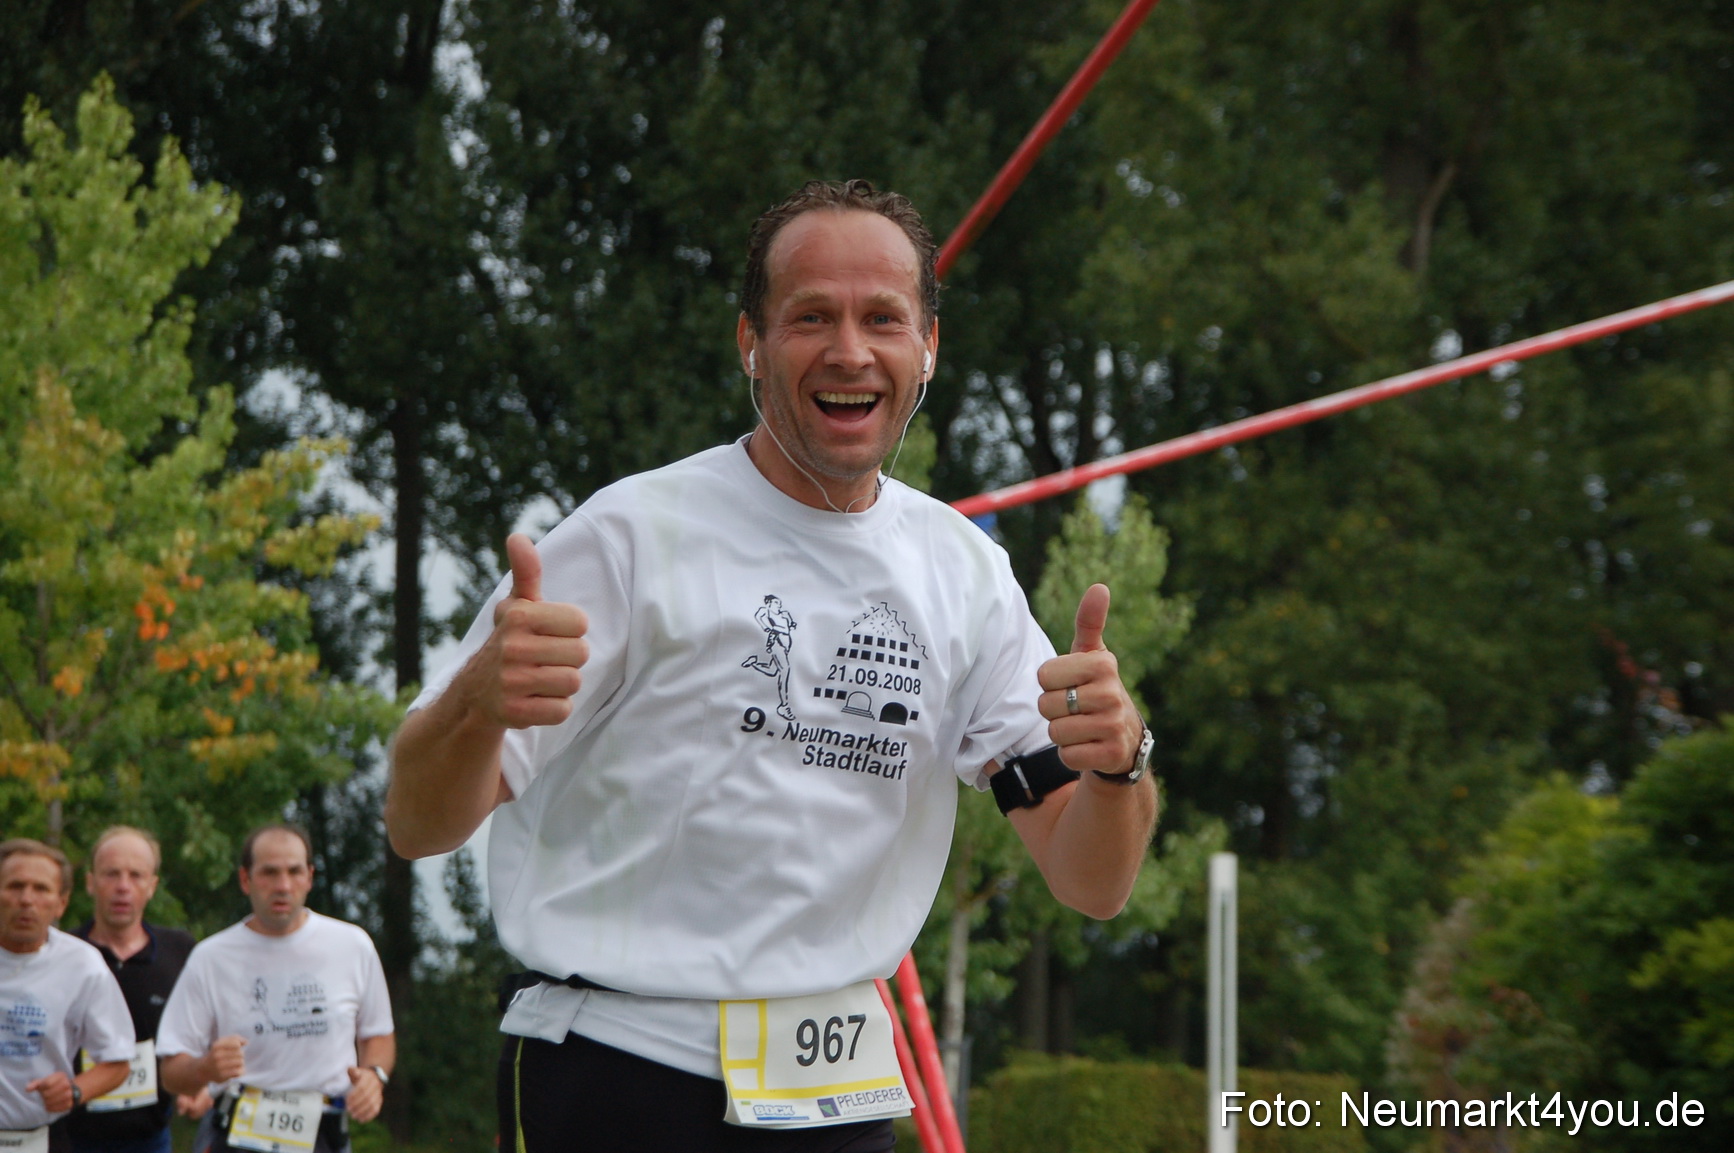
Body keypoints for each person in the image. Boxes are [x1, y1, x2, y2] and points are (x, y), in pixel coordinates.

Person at [385, 179, 1159, 1153]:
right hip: (617, 1072)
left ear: (928, 346)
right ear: (750, 342)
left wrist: (1120, 763)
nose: (850, 351)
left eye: (883, 318)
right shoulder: (632, 536)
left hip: (838, 1099)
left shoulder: (965, 573)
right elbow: (416, 824)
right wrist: (475, 703)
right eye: (811, 317)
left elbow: (1093, 882)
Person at [156, 826, 395, 1153]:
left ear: (309, 877)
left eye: (294, 872)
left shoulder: (352, 945)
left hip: (325, 1132)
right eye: (269, 873)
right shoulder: (211, 958)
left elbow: (378, 1034)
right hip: (237, 1133)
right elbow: (171, 1071)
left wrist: (374, 1076)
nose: (283, 886)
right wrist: (205, 1068)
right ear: (245, 880)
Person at [65, 827, 209, 1153]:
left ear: (152, 886)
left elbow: (207, 1031)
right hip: (69, 1138)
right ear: (90, 882)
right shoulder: (63, 953)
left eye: (136, 875)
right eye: (111, 874)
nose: (123, 887)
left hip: (151, 1139)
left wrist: (203, 1086)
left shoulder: (181, 951)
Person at [0, 839, 135, 1153]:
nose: (26, 900)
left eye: (41, 889)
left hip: (41, 1138)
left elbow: (117, 1061)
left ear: (61, 903)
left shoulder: (82, 965)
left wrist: (74, 1091)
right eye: (15, 886)